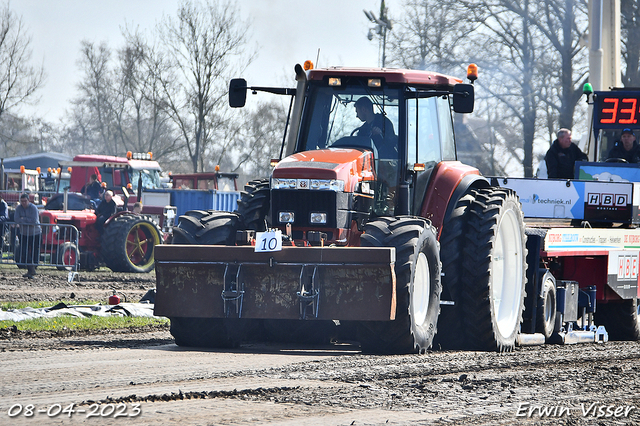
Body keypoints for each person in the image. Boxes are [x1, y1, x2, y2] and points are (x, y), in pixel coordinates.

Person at [14, 193, 41, 278]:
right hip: (24, 233)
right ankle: (30, 269)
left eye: (25, 201)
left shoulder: (33, 208)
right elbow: (16, 219)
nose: (23, 203)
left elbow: (34, 221)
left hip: (35, 233)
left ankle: (33, 269)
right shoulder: (18, 208)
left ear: (28, 200)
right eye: (22, 201)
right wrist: (26, 221)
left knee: (34, 251)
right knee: (24, 251)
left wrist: (23, 219)